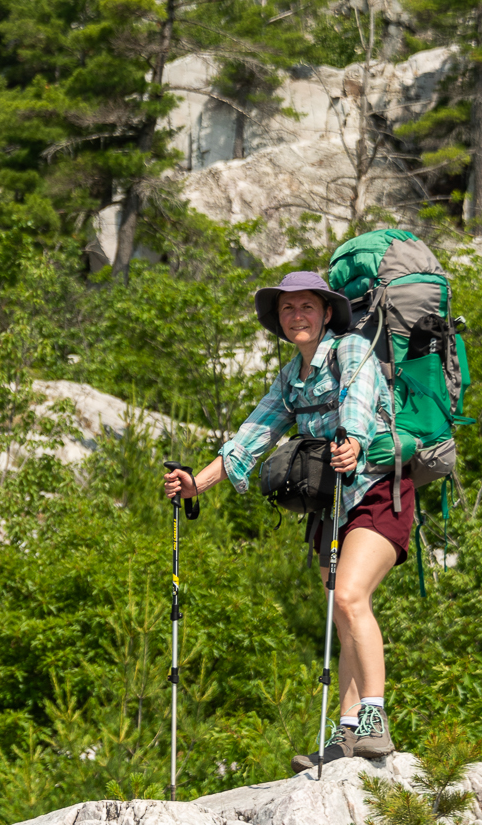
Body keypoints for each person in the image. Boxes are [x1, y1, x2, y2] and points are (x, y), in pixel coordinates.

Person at [161, 268, 413, 766]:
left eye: (306, 307)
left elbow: (359, 407)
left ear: (325, 313)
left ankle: (374, 720)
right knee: (340, 614)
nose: (296, 315)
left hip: (376, 488)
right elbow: (252, 435)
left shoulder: (351, 351)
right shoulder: (289, 378)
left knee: (349, 596)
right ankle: (344, 736)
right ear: (279, 320)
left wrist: (355, 443)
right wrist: (198, 483)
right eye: (287, 308)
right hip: (331, 505)